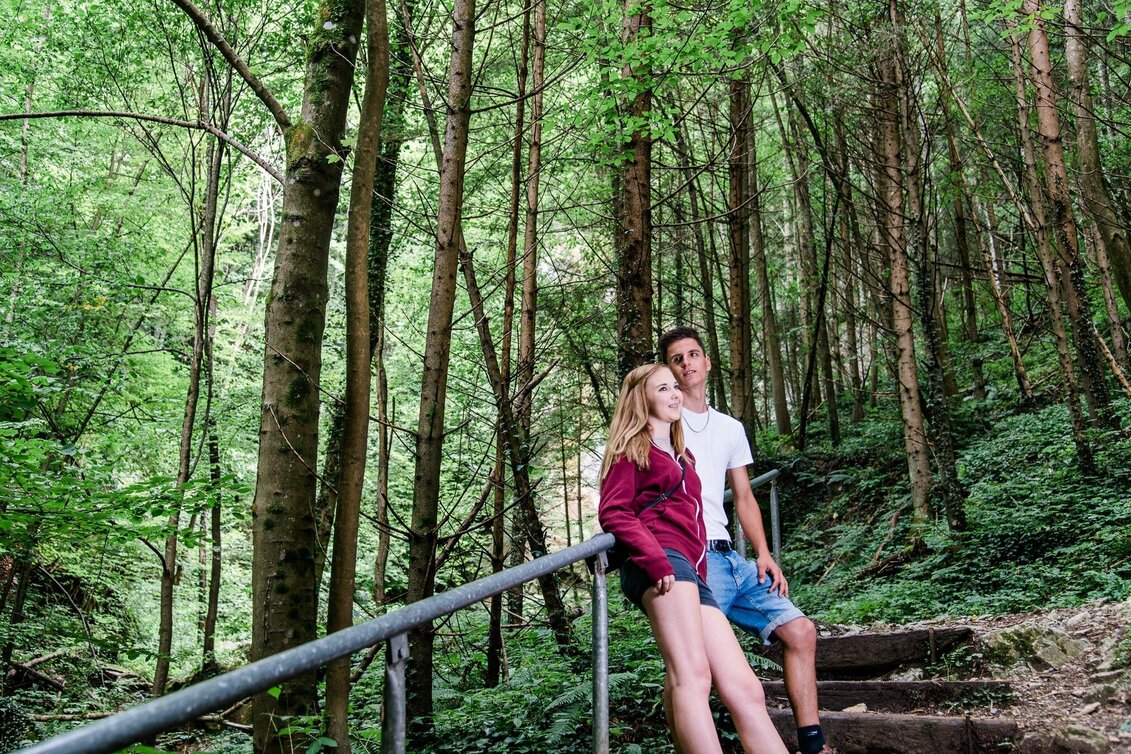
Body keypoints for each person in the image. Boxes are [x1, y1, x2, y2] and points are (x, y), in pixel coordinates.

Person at [659, 327, 836, 754]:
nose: (687, 363)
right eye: (677, 358)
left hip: (731, 558)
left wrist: (762, 553)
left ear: (707, 363)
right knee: (689, 667)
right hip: (693, 558)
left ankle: (812, 744)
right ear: (670, 370)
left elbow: (744, 497)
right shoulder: (664, 419)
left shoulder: (730, 428)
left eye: (693, 354)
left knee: (800, 631)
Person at [598, 363, 788, 754]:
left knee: (745, 687)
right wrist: (656, 560)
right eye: (662, 387)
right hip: (660, 562)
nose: (674, 394)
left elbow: (696, 522)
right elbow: (614, 513)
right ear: (641, 397)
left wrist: (695, 569)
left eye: (674, 387)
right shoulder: (632, 448)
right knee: (693, 676)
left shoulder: (683, 456)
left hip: (690, 570)